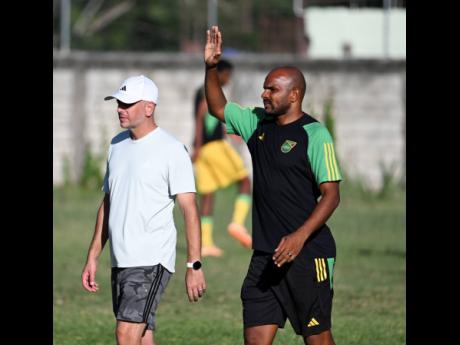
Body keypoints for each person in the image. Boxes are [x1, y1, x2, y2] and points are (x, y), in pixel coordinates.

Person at [204, 26, 342, 345]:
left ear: (293, 95)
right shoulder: (256, 124)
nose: (264, 94)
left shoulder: (315, 135)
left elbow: (332, 195)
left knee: (317, 338)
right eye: (264, 89)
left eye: (272, 89)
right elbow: (218, 107)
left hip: (308, 254)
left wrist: (299, 237)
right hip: (265, 256)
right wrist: (211, 67)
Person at [81, 75, 206, 345]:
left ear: (149, 108)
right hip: (120, 259)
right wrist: (93, 256)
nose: (119, 109)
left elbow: (189, 210)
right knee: (142, 335)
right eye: (119, 103)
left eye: (127, 104)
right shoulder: (116, 145)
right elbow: (108, 203)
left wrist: (194, 264)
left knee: (126, 334)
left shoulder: (172, 150)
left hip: (151, 258)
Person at [192, 59, 252, 257]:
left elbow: (203, 118)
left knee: (208, 195)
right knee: (244, 181)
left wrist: (197, 147)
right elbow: (202, 114)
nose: (229, 79)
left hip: (204, 150)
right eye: (228, 75)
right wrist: (200, 144)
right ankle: (237, 223)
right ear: (220, 73)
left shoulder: (202, 89)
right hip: (215, 147)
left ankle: (205, 244)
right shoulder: (209, 90)